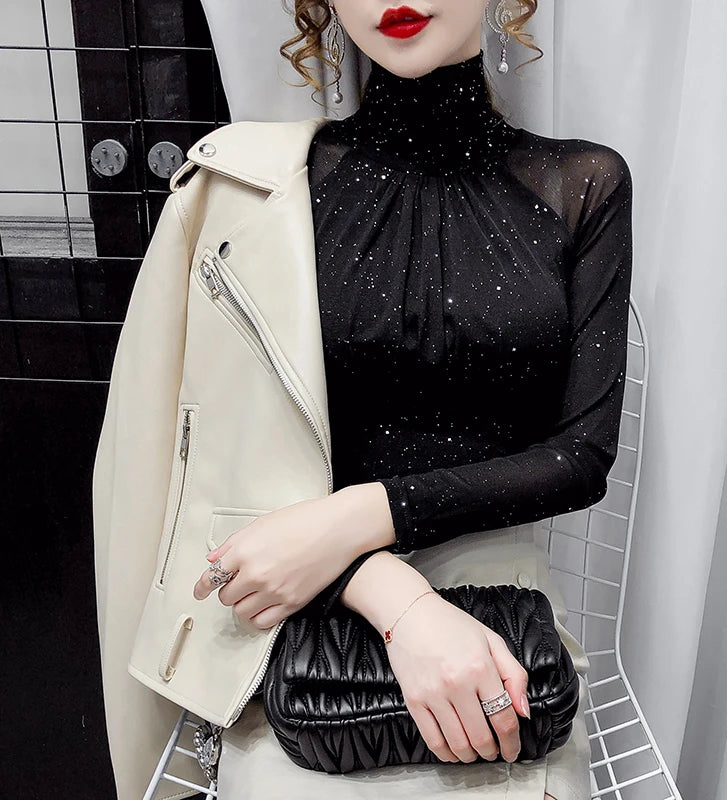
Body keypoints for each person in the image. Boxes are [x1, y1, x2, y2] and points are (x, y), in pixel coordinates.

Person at [189, 1, 634, 798]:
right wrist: (392, 595)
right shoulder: (265, 190)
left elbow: (580, 457)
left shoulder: (582, 183)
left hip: (500, 601)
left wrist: (360, 516)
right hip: (307, 597)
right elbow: (216, 456)